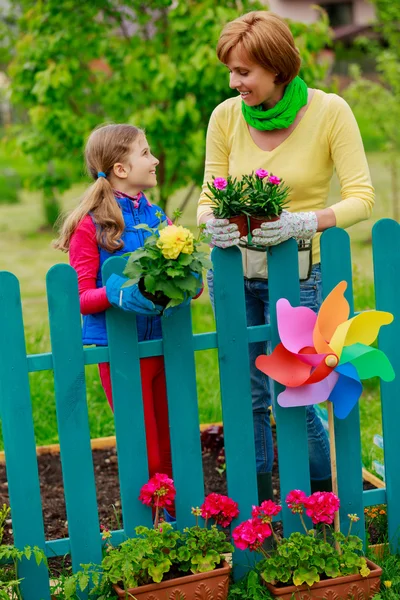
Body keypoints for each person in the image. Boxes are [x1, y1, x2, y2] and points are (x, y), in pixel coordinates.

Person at [197, 11, 375, 503]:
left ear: (277, 67)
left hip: (298, 277)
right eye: (230, 72)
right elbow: (211, 192)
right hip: (233, 277)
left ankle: (316, 505)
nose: (235, 83)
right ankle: (261, 508)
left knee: (296, 394)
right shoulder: (225, 117)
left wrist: (305, 221)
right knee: (250, 396)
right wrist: (208, 218)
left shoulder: (330, 111)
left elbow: (363, 197)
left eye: (244, 72)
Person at [55, 123, 182, 490]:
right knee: (146, 449)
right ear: (121, 169)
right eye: (145, 153)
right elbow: (81, 298)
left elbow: (180, 276)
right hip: (121, 353)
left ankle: (175, 521)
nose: (155, 159)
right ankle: (152, 525)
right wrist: (114, 293)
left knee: (173, 445)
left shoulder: (156, 216)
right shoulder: (89, 225)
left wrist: (186, 282)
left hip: (163, 342)